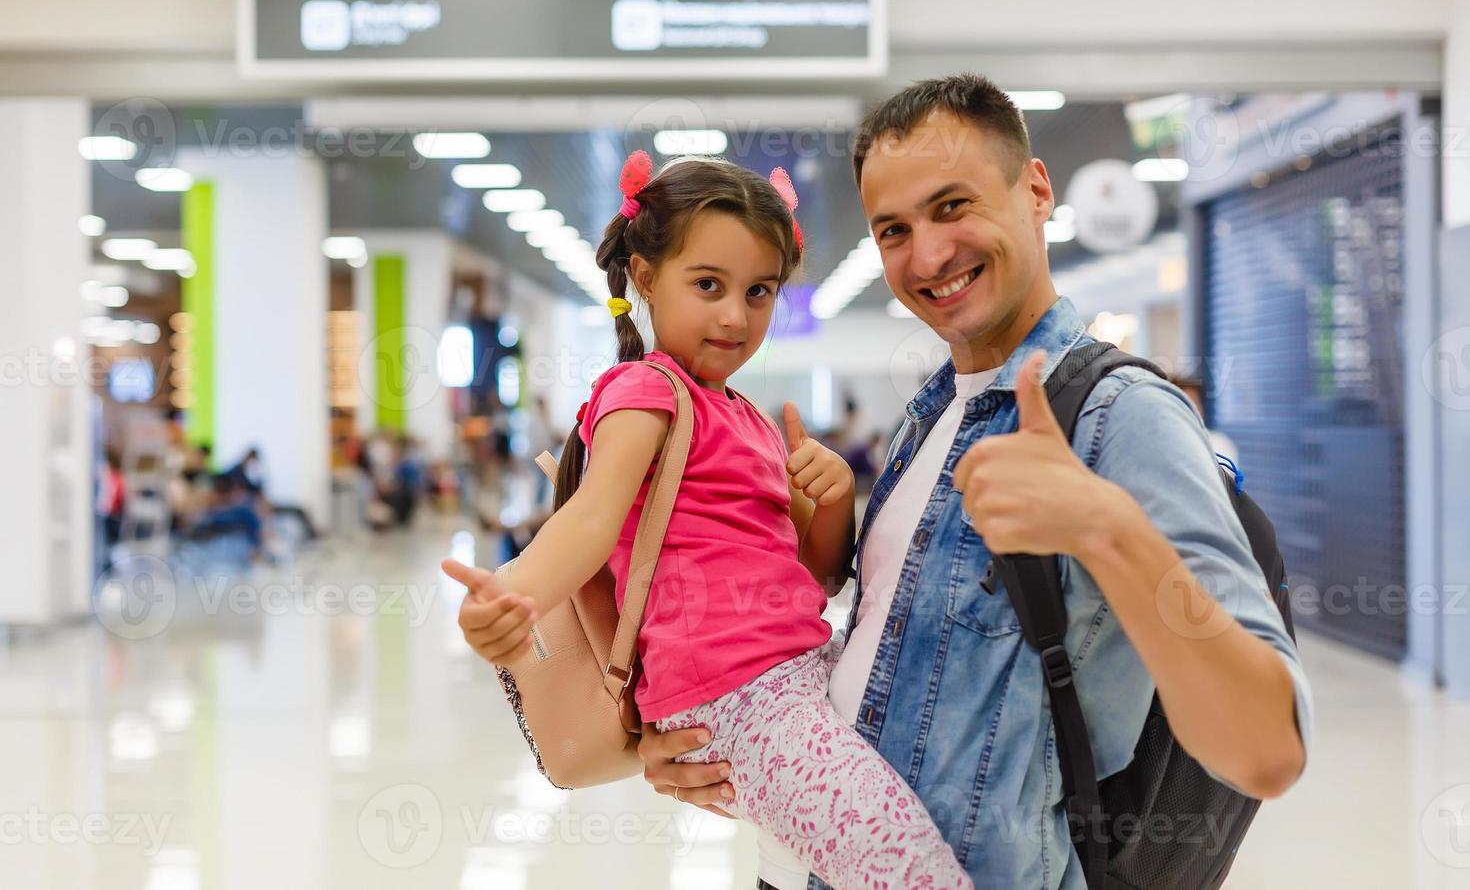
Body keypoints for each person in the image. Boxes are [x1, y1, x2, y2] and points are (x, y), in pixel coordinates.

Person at [636, 75, 1312, 889]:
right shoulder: (931, 417)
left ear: (1034, 190)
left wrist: (1105, 528)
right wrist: (717, 746)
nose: (926, 256)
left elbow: (1269, 748)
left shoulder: (1120, 417)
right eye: (893, 229)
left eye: (952, 206)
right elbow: (891, 667)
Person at [445, 154, 973, 889]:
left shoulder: (746, 419)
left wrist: (834, 495)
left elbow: (818, 576)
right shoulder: (645, 390)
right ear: (647, 276)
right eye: (708, 285)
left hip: (799, 674)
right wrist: (510, 595)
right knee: (911, 868)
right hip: (740, 700)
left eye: (759, 292)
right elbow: (592, 515)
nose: (735, 315)